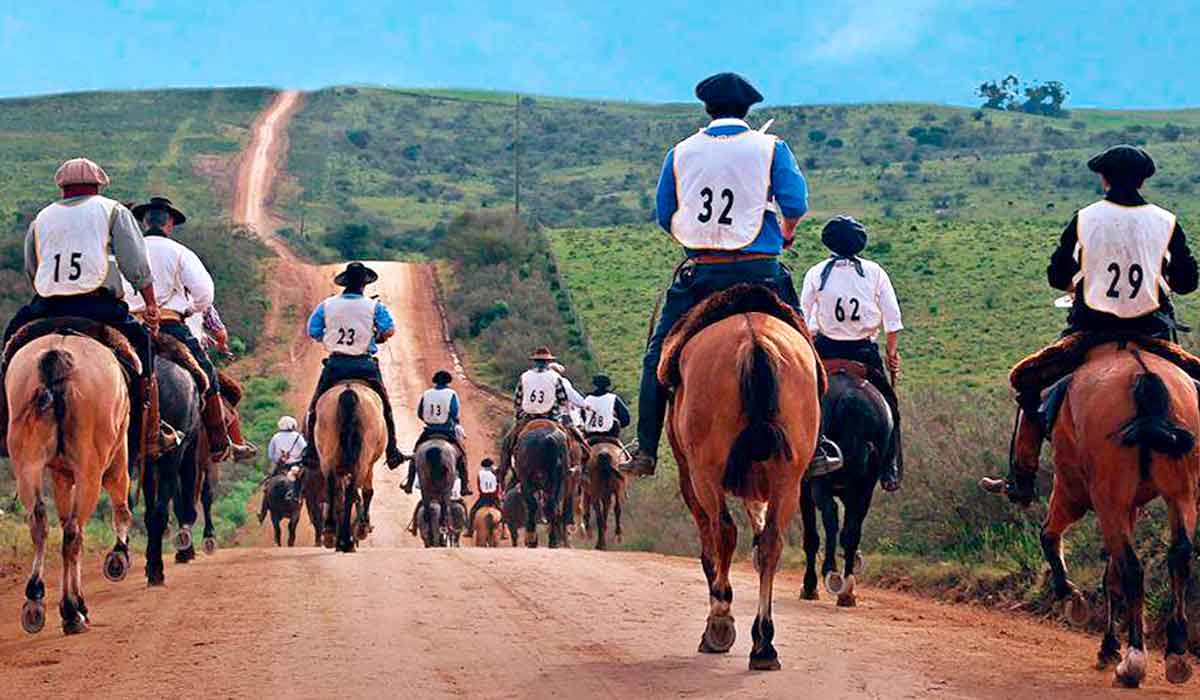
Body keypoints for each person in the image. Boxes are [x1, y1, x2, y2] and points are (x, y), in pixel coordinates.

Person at [623, 72, 838, 477]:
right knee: (807, 351)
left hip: (703, 275)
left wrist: (697, 239)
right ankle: (819, 444)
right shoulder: (771, 147)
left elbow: (664, 214)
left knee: (656, 356)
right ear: (748, 109)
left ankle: (646, 448)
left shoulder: (681, 152)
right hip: (761, 274)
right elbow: (795, 203)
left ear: (707, 108)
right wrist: (786, 234)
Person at [998, 145, 1200, 505]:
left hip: (1091, 331)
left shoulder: (1085, 218)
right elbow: (1187, 281)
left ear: (1104, 179)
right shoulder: (1166, 221)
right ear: (1143, 180)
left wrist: (1083, 281)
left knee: (1028, 381)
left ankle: (1022, 476)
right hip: (1152, 334)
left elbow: (1057, 274)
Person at [0, 157, 172, 466]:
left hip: (48, 304)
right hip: (99, 305)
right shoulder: (112, 211)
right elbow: (135, 263)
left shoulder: (42, 218)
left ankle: (4, 422)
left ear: (61, 187)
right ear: (98, 185)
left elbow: (32, 267)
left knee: (9, 342)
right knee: (143, 348)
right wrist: (150, 302)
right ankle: (150, 430)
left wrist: (50, 287)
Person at [125, 196, 254, 462]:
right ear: (170, 223)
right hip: (170, 325)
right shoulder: (181, 253)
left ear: (144, 221)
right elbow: (205, 294)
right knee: (207, 374)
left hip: (129, 326)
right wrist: (188, 310)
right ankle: (220, 440)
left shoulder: (126, 251)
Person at [800, 216, 904, 490]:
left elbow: (803, 317)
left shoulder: (815, 272)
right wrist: (891, 353)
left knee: (802, 402)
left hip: (825, 349)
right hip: (863, 352)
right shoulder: (875, 272)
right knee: (890, 402)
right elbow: (892, 319)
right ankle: (890, 466)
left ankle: (806, 455)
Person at [302, 262, 404, 467]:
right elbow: (389, 329)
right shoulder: (374, 306)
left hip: (336, 364)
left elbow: (313, 331)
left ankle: (312, 451)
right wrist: (377, 336)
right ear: (364, 284)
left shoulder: (327, 305)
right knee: (385, 407)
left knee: (314, 407)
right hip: (364, 365)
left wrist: (329, 338)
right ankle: (392, 450)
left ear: (345, 283)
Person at [498, 346, 570, 473]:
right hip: (550, 418)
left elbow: (518, 401)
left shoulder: (524, 376)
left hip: (528, 418)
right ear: (548, 362)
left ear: (535, 362)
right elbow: (563, 399)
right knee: (567, 439)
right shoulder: (555, 377)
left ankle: (503, 469)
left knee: (507, 442)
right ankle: (567, 468)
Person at [402, 369, 472, 495]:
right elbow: (454, 413)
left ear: (435, 381)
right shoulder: (451, 394)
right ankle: (464, 486)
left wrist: (430, 421)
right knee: (462, 455)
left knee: (415, 453)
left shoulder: (427, 393)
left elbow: (420, 413)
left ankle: (409, 482)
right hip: (447, 431)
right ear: (448, 382)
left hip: (429, 431)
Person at [265, 415, 307, 505]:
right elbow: (305, 450)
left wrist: (278, 459)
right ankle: (299, 497)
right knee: (305, 482)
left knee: (268, 484)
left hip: (280, 465)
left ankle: (263, 510)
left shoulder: (275, 437)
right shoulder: (297, 436)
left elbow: (270, 454)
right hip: (296, 465)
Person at [581, 375, 631, 442]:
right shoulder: (613, 398)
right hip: (610, 435)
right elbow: (625, 419)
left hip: (590, 435)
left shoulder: (586, 399)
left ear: (595, 384)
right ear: (608, 385)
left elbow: (582, 417)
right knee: (623, 452)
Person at [464, 458, 501, 537]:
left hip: (483, 497)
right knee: (504, 512)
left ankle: (469, 531)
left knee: (472, 511)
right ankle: (504, 530)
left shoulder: (480, 473)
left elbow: (479, 487)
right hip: (494, 498)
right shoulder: (496, 473)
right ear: (491, 465)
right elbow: (498, 485)